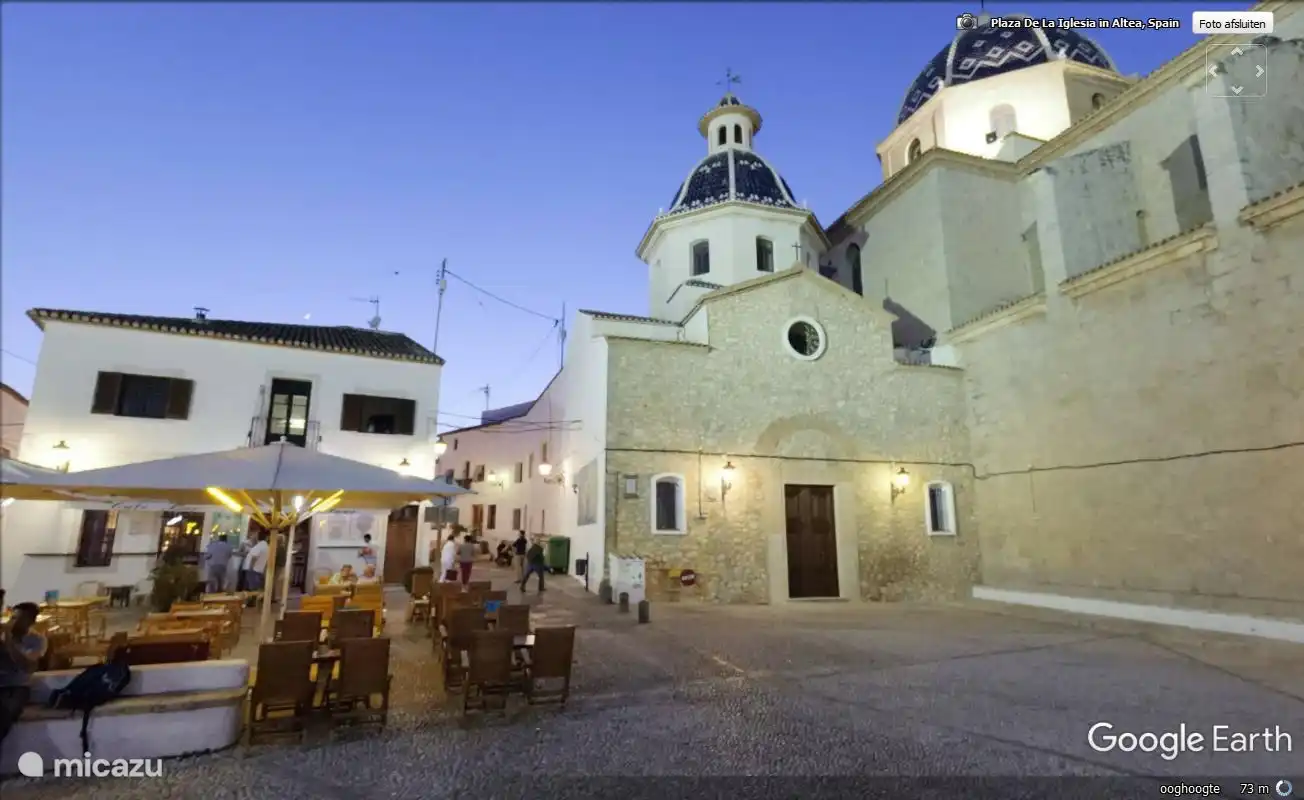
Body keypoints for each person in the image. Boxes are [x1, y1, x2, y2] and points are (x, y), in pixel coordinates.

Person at [0, 602, 48, 745]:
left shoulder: (38, 640)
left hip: (17, 688)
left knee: (3, 715)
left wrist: (8, 643)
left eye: (19, 619)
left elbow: (27, 666)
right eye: (12, 618)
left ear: (31, 621)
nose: (13, 622)